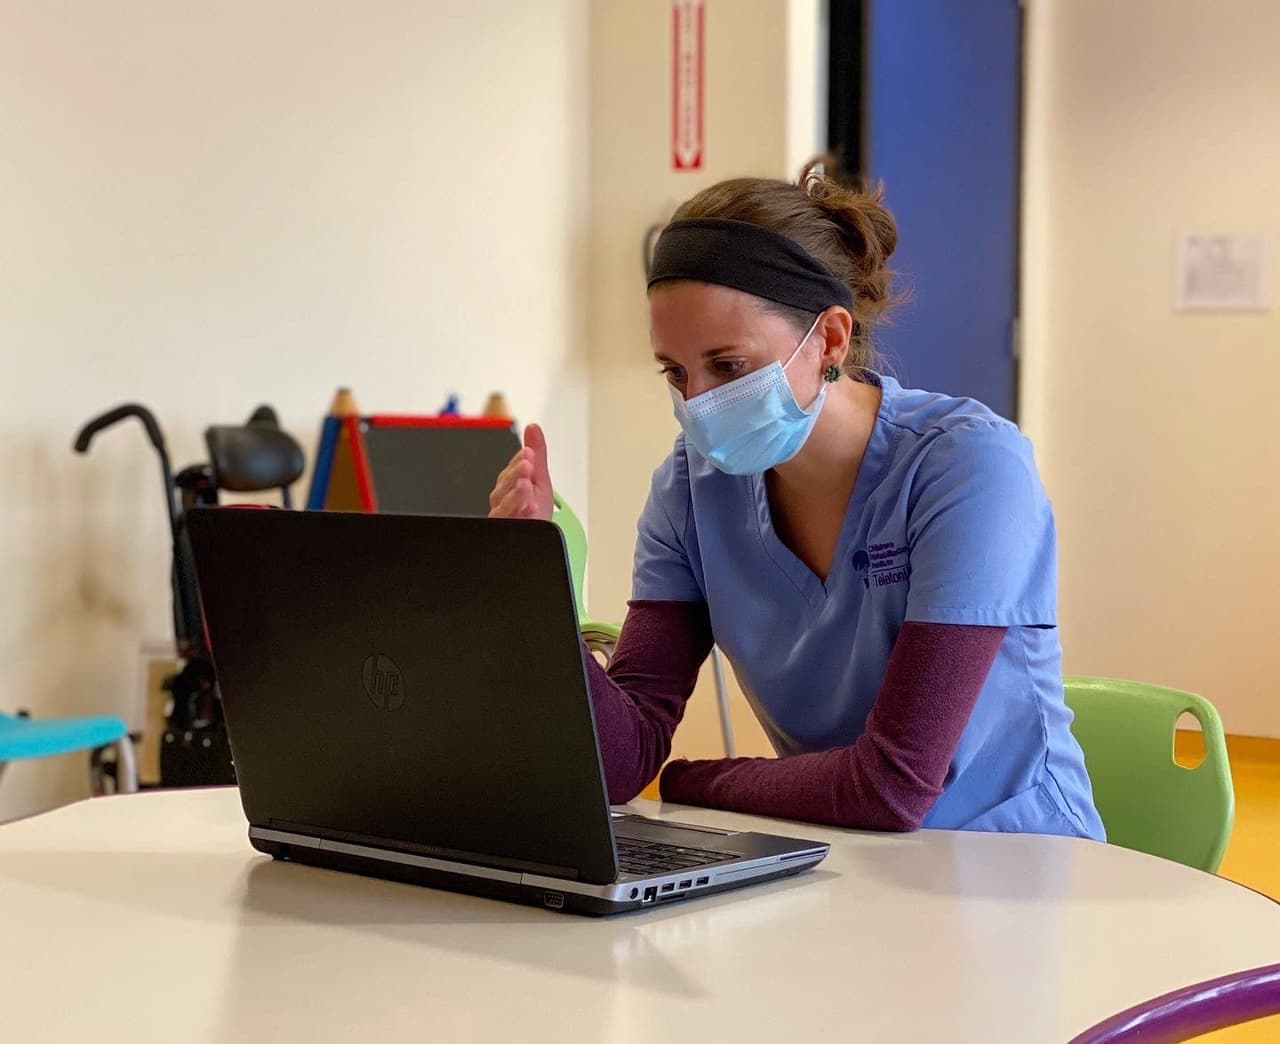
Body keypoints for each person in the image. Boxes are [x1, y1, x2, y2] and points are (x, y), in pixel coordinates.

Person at [489, 166, 1104, 838]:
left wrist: (695, 782)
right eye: (675, 372)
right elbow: (620, 760)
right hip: (845, 864)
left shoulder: (969, 469)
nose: (695, 402)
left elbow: (892, 786)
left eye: (728, 366)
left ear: (831, 341)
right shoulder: (689, 493)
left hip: (1020, 867)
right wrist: (531, 582)